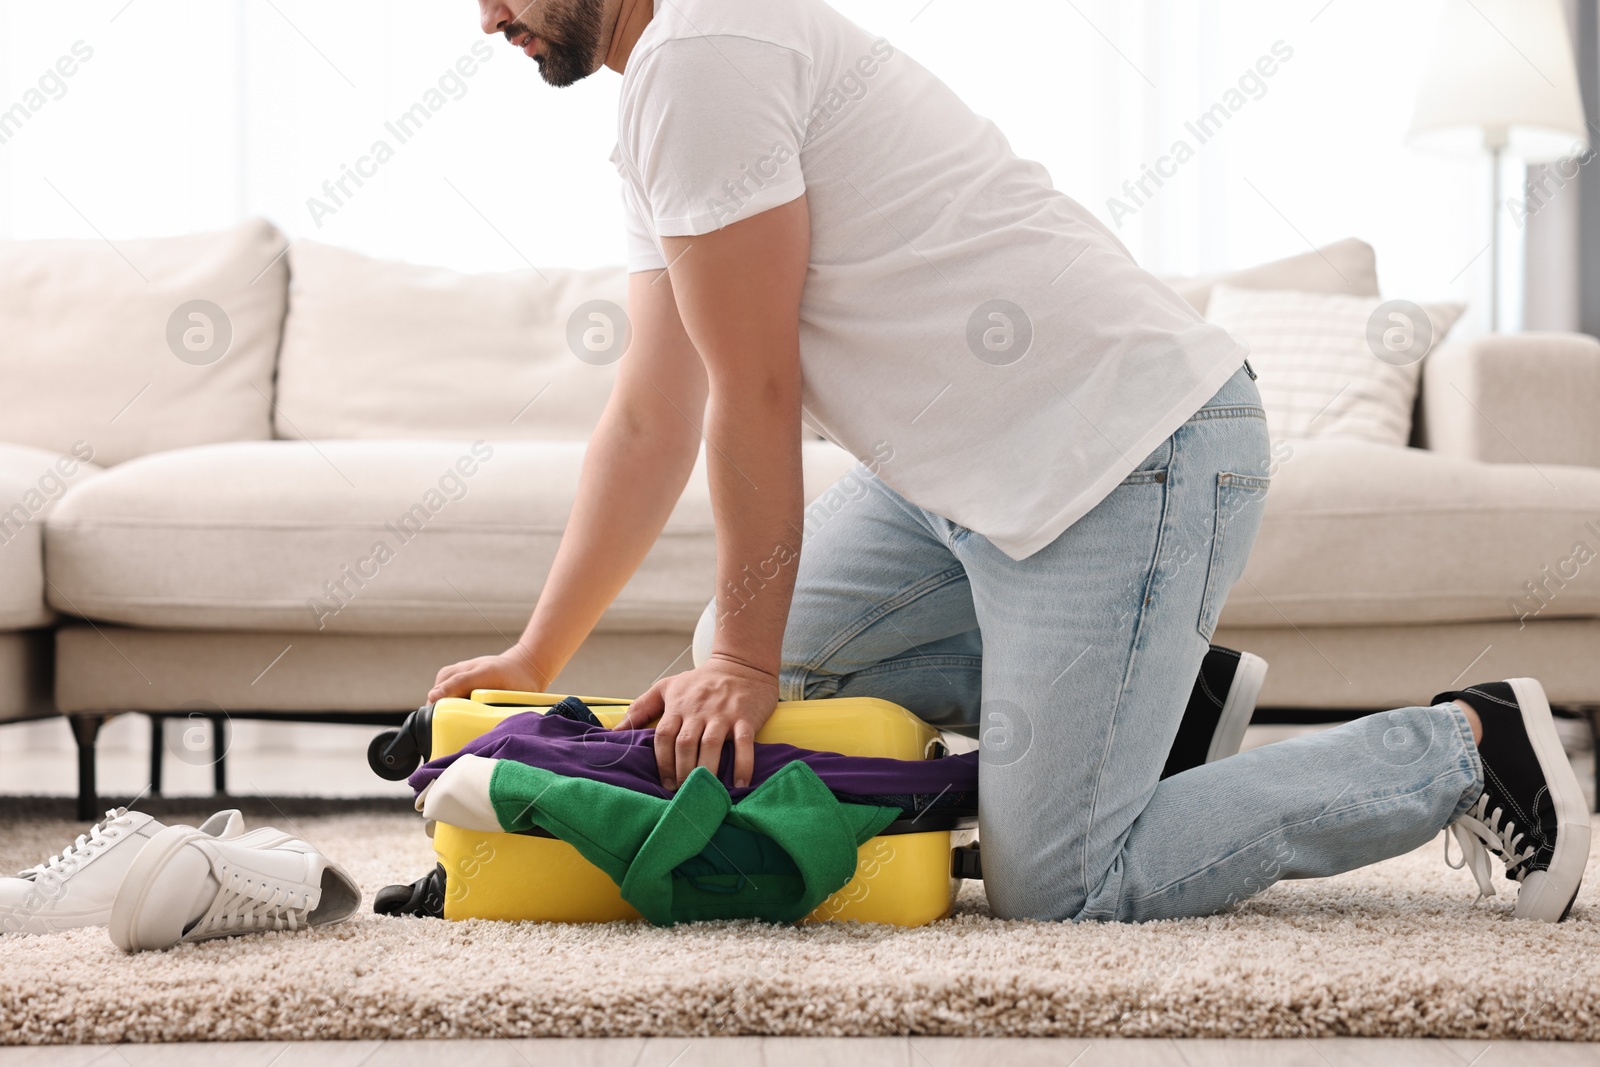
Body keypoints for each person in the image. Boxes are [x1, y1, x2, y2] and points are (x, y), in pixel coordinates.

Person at [432, 0, 1590, 923]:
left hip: (1125, 459)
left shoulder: (704, 52)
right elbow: (653, 412)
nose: (487, 20)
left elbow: (756, 390)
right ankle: (1158, 705)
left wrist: (742, 654)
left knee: (1062, 887)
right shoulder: (666, 93)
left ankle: (1466, 746)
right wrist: (540, 651)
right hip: (954, 489)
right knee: (793, 660)